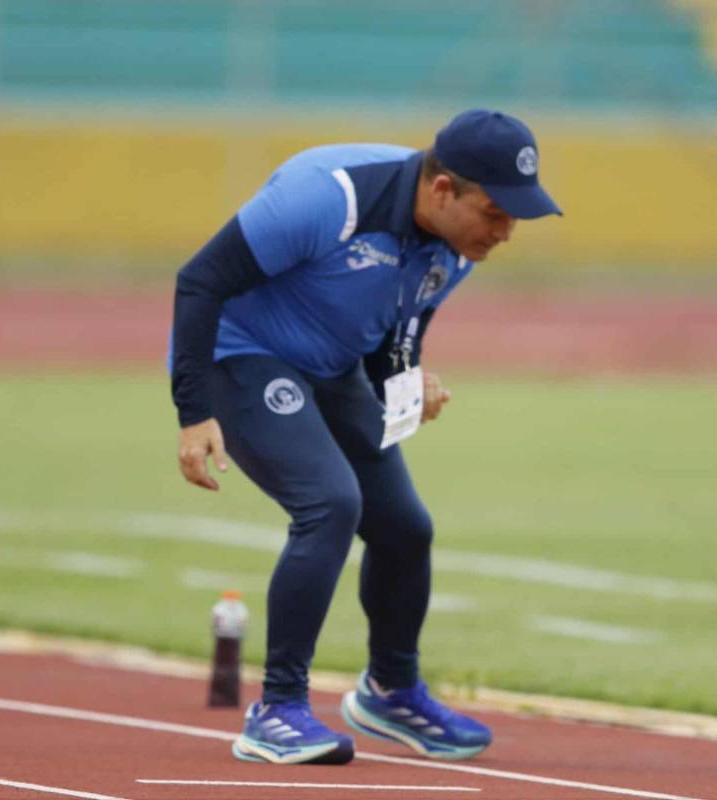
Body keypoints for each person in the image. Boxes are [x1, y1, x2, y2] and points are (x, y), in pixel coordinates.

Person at [168, 109, 561, 765]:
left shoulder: (457, 249)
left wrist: (408, 386)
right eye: (495, 212)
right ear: (443, 190)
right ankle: (278, 709)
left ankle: (391, 692)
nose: (505, 232)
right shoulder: (327, 197)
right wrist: (194, 411)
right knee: (330, 502)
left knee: (404, 527)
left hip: (334, 366)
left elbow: (391, 344)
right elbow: (200, 281)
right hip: (240, 356)